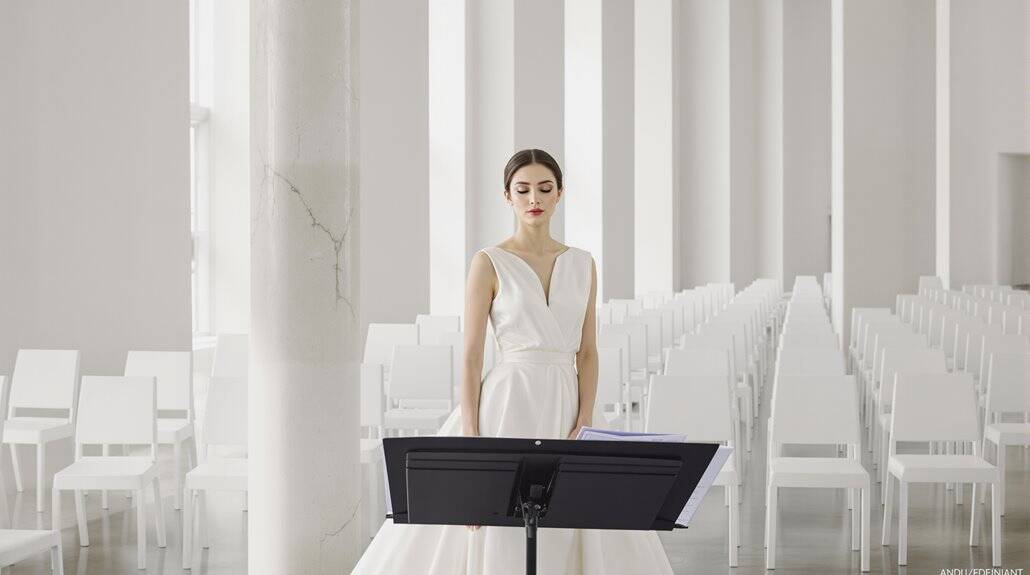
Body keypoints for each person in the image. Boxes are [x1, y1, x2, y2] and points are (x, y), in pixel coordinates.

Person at [352, 149, 673, 574]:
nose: (533, 198)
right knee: (499, 519)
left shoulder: (583, 264)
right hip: (507, 400)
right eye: (522, 190)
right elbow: (470, 355)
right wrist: (469, 434)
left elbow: (588, 351)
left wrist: (586, 416)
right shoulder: (488, 262)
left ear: (560, 193)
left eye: (544, 188)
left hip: (565, 399)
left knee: (571, 514)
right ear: (508, 196)